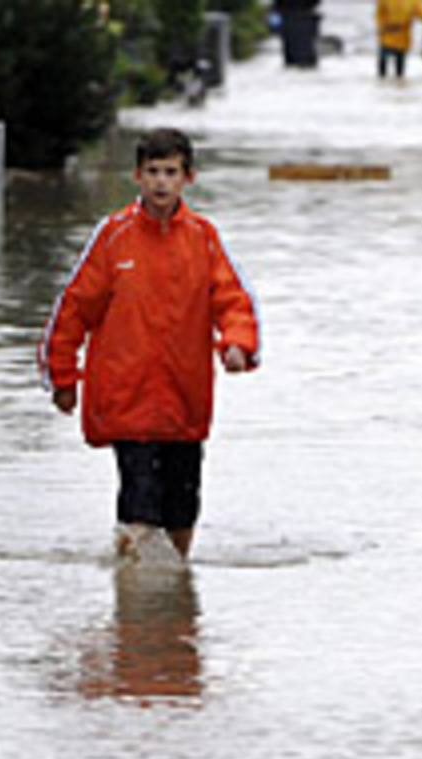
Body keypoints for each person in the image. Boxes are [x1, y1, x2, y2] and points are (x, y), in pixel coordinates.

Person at [38, 127, 260, 562]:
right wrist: (63, 379)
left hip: (185, 400)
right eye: (153, 171)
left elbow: (235, 301)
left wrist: (237, 345)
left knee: (182, 508)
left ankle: (177, 596)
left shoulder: (204, 238)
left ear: (188, 178)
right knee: (139, 501)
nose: (161, 182)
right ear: (137, 176)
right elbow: (72, 311)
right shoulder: (112, 236)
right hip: (127, 398)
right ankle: (134, 595)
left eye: (171, 172)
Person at [376, 0, 422, 80]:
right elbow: (379, 14)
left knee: (400, 66)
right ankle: (381, 83)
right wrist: (383, 26)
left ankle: (399, 83)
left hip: (402, 37)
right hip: (386, 35)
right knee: (383, 63)